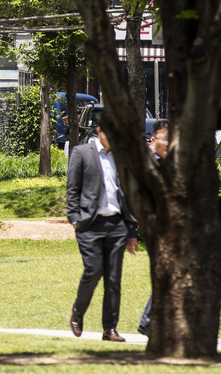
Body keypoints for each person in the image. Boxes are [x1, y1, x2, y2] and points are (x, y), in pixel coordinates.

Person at [67, 110, 139, 342]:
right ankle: (78, 311)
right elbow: (72, 189)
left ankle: (110, 329)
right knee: (94, 270)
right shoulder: (82, 153)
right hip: (90, 224)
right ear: (99, 131)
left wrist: (131, 230)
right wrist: (75, 219)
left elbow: (127, 193)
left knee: (113, 278)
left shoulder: (121, 156)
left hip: (116, 224)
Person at [139, 121, 169, 337]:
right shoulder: (147, 166)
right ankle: (148, 320)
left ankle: (154, 321)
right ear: (153, 140)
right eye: (163, 138)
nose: (167, 143)